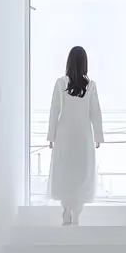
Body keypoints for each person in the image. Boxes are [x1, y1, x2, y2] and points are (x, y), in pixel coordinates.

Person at [46, 46, 104, 225]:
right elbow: (96, 113)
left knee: (66, 172)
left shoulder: (60, 83)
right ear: (85, 63)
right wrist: (98, 137)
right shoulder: (91, 86)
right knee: (81, 173)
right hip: (83, 135)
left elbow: (54, 111)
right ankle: (76, 212)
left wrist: (51, 136)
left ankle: (66, 209)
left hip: (65, 135)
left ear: (69, 62)